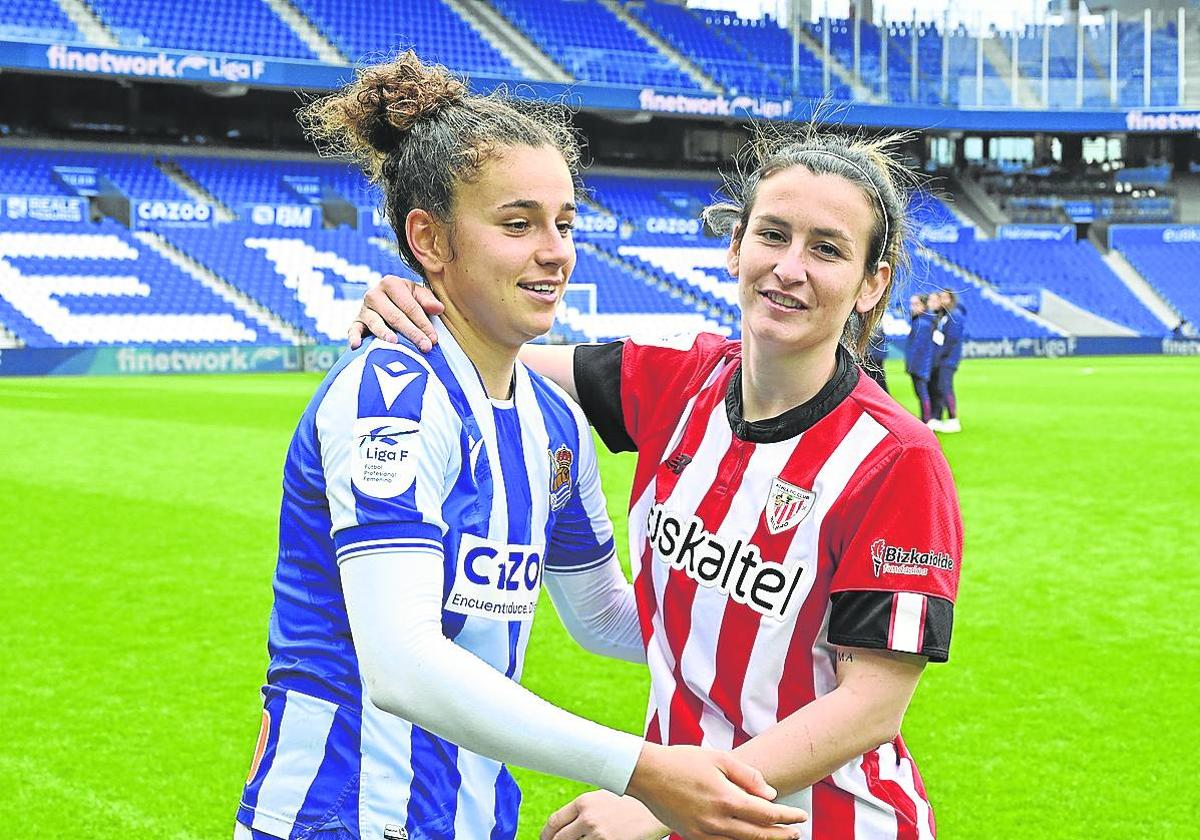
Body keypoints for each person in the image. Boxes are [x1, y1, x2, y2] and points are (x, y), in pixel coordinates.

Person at [236, 52, 809, 840]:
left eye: (565, 223)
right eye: (518, 224)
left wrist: (792, 632)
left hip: (475, 817)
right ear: (428, 240)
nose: (556, 250)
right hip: (341, 817)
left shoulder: (555, 423)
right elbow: (402, 664)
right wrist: (641, 770)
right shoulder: (392, 398)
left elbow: (605, 614)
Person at [353, 124, 964, 838]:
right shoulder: (679, 384)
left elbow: (871, 706)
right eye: (772, 235)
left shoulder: (895, 459)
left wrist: (649, 800)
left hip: (828, 822)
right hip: (689, 813)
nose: (790, 267)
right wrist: (408, 303)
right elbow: (488, 349)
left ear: (872, 283)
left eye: (827, 249)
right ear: (736, 246)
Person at [930, 289, 965, 433]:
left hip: (948, 359)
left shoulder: (954, 315)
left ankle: (953, 419)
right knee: (939, 388)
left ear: (951, 299)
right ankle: (938, 418)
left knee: (946, 387)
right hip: (942, 358)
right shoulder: (943, 315)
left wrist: (939, 356)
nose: (942, 300)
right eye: (941, 298)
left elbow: (951, 340)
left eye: (945, 298)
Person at [904, 293, 935, 424]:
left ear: (923, 306)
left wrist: (911, 366)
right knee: (921, 393)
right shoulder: (920, 321)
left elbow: (918, 348)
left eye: (916, 304)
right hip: (920, 364)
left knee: (922, 393)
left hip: (919, 365)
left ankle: (927, 420)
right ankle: (927, 419)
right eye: (912, 304)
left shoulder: (922, 324)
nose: (912, 307)